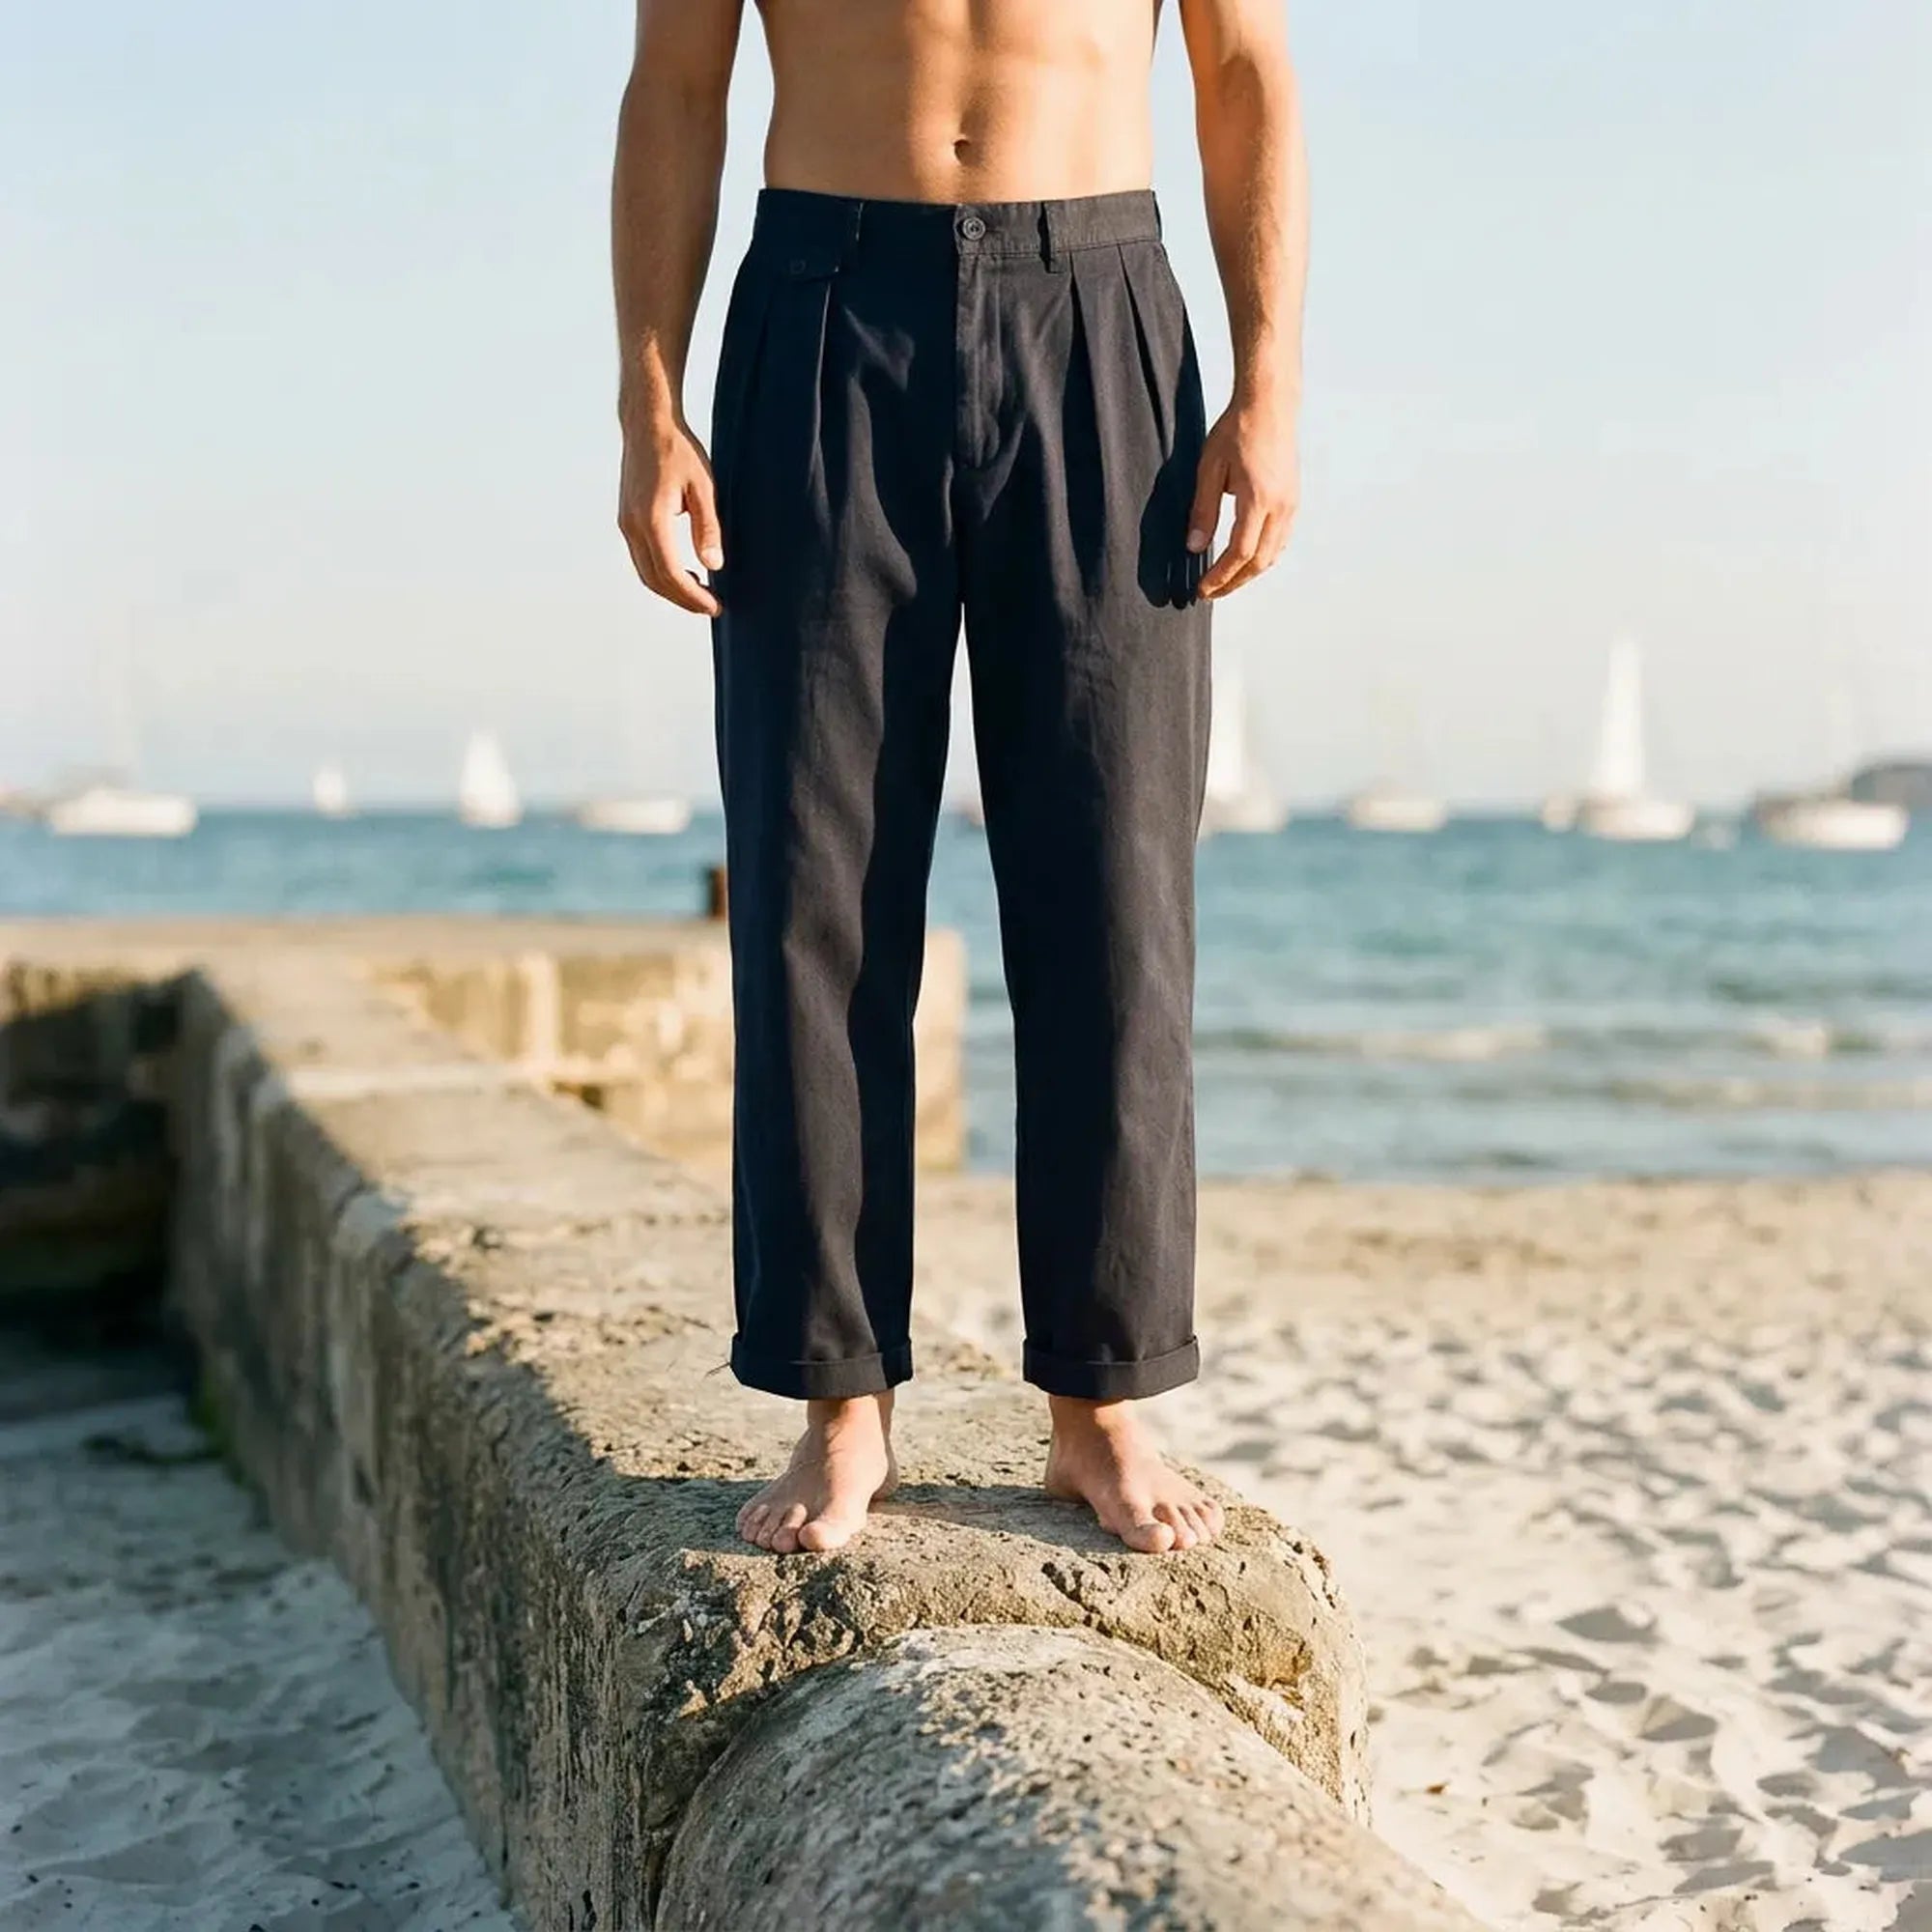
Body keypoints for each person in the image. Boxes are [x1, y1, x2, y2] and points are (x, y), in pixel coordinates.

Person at [613, 0, 1306, 1556]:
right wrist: (648, 407)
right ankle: (839, 1401)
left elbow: (1245, 70)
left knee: (1115, 894)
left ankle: (1102, 1396)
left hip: (1103, 310)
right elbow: (673, 88)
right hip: (823, 305)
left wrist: (1268, 383)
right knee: (814, 896)